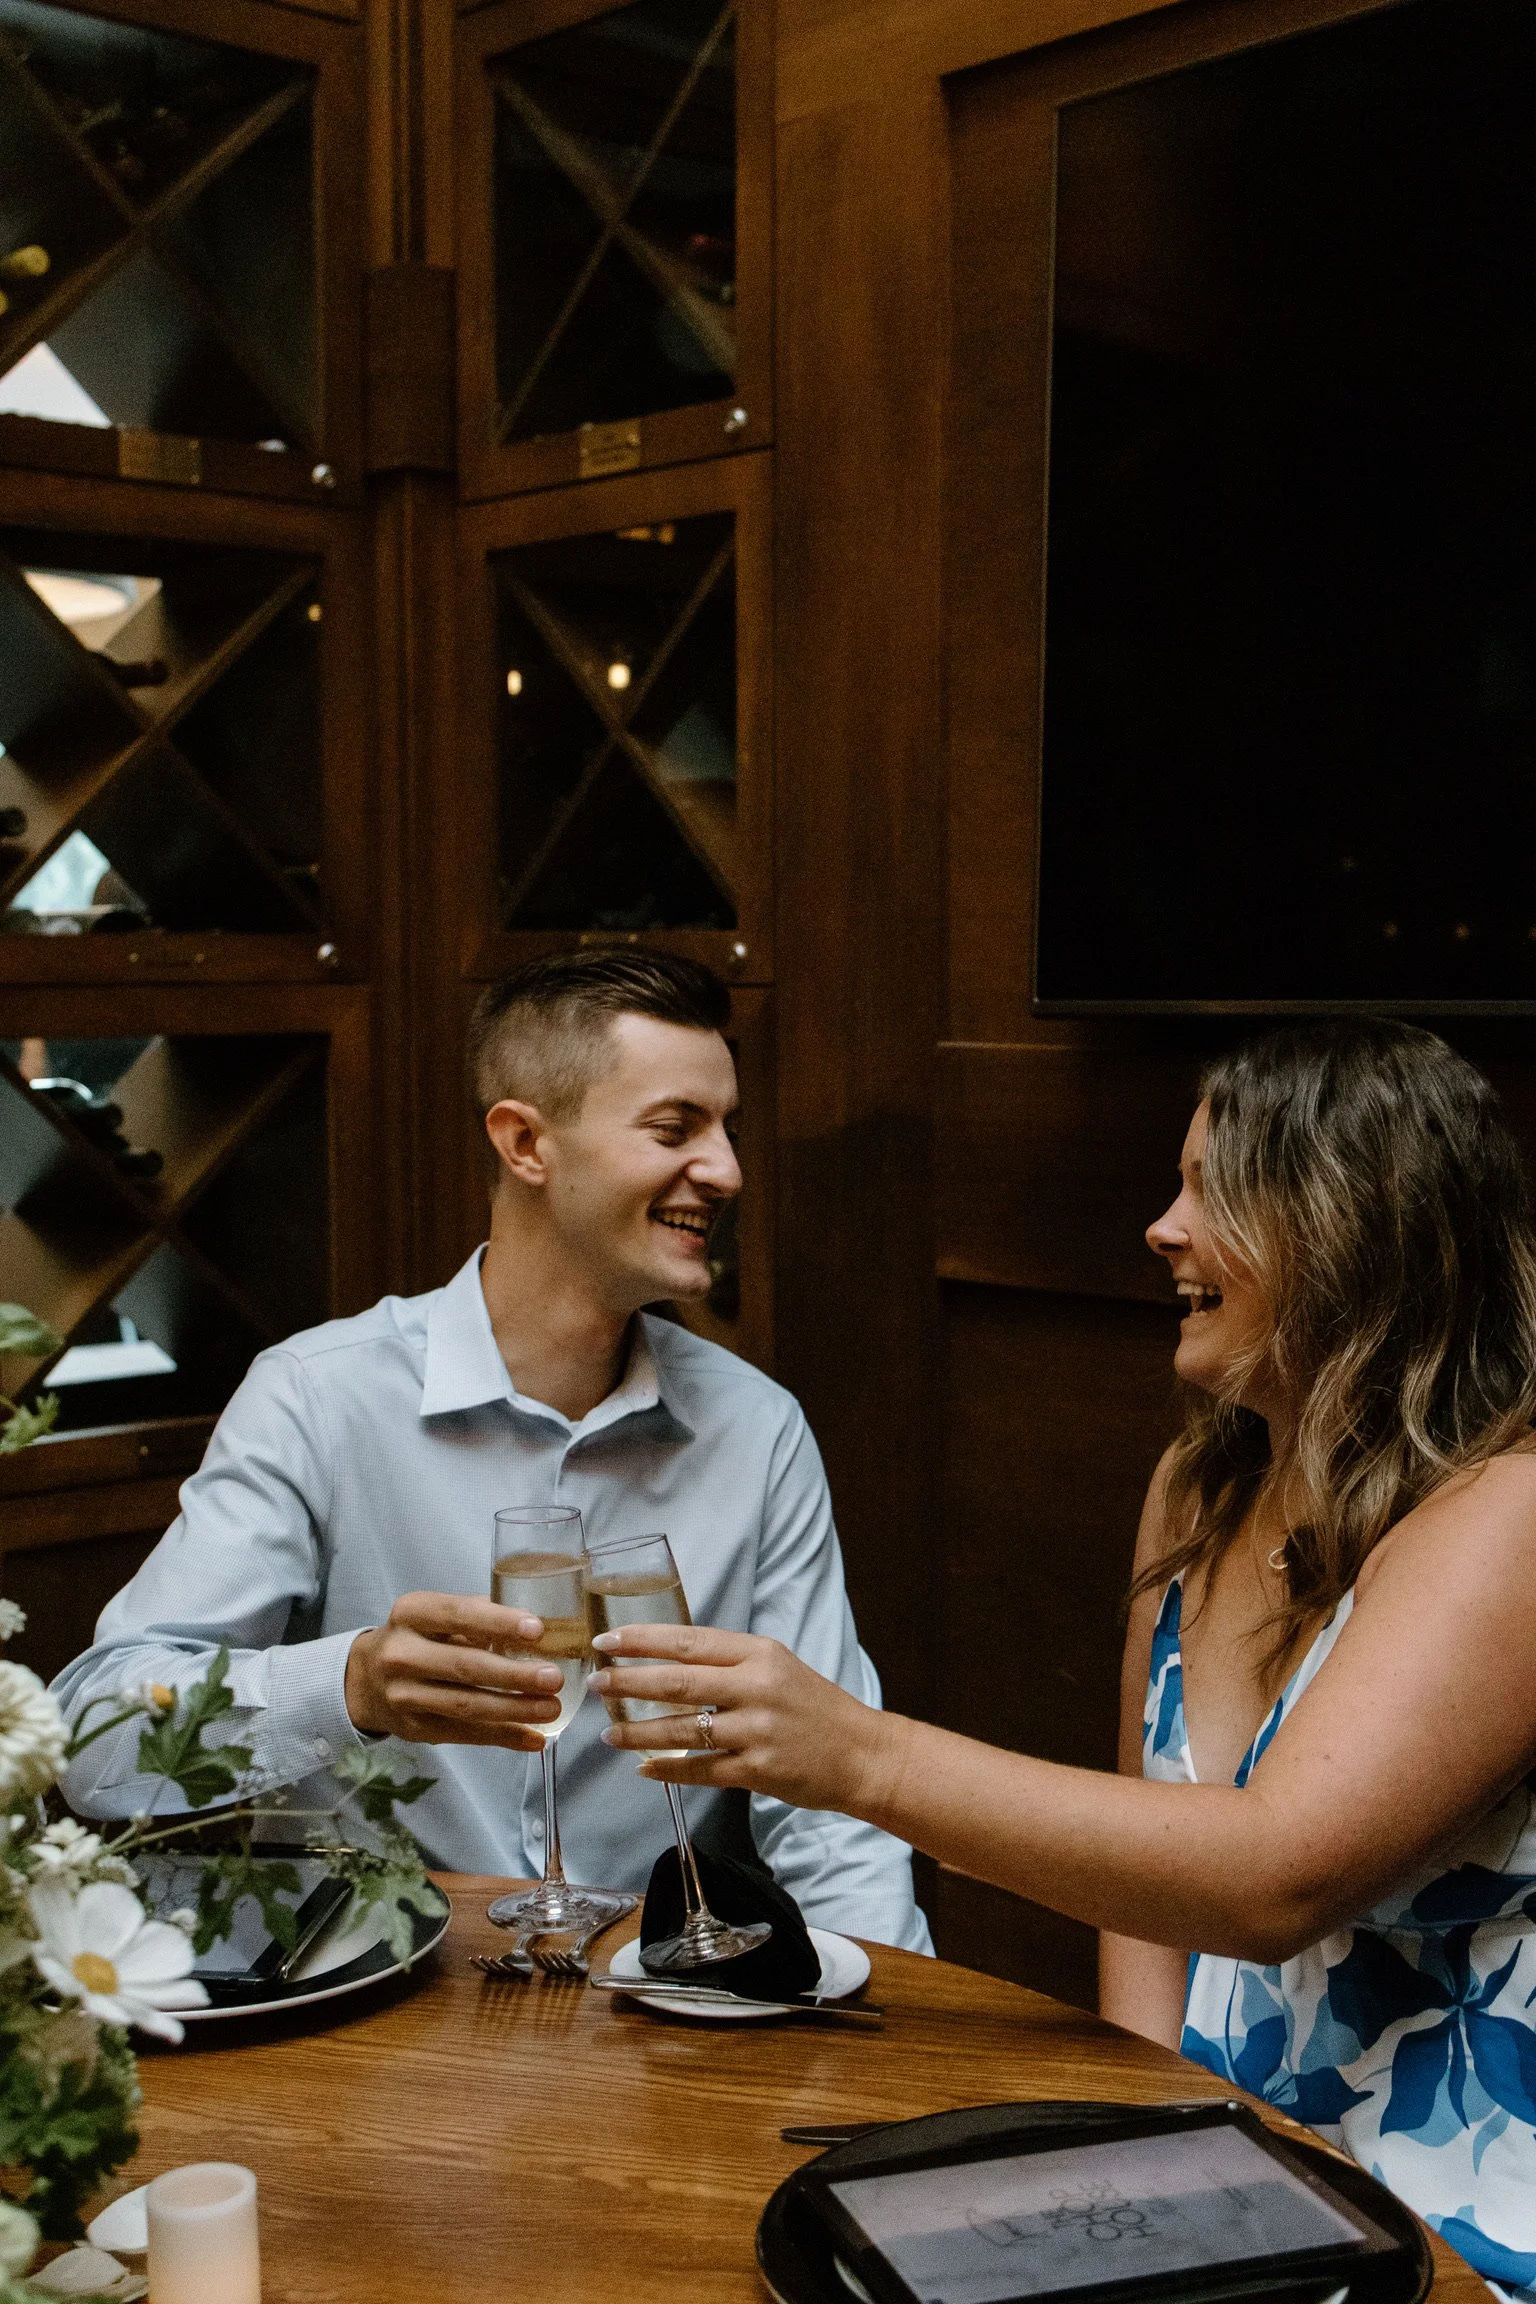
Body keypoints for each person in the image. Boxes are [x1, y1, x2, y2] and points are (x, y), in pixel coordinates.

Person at [592, 1018, 1536, 2287]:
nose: (1162, 1227)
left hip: (1462, 2213)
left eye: (1209, 1188)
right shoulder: (1200, 1488)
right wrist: (1151, 2141)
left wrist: (858, 1758)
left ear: (1347, 1223)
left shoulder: (1508, 1512)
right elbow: (1150, 1867)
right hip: (1249, 2185)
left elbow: (1274, 1879)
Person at [54, 950, 931, 1953]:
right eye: (674, 1127)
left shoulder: (757, 1428)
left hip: (661, 2018)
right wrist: (352, 1686)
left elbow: (829, 1806)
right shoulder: (318, 1397)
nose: (727, 1169)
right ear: (525, 1143)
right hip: (380, 2010)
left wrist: (895, 2037)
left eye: (729, 1129)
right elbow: (95, 1740)